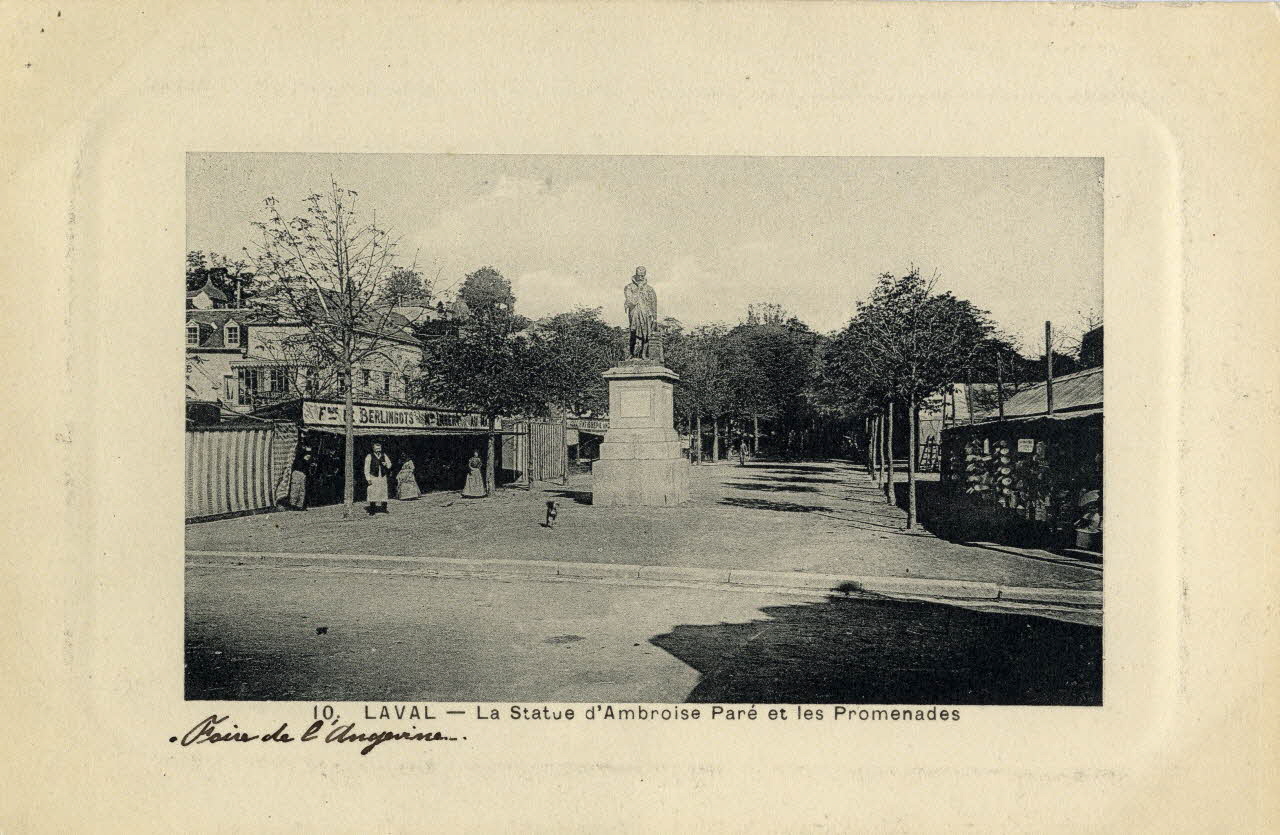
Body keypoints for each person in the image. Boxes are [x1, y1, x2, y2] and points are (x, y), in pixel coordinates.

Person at [624, 266, 658, 360]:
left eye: (642, 276)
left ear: (645, 275)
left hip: (646, 313)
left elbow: (653, 303)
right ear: (636, 274)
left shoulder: (650, 289)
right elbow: (630, 300)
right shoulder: (629, 287)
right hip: (634, 312)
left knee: (646, 333)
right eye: (639, 275)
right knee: (633, 331)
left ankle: (644, 354)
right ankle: (631, 353)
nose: (640, 277)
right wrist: (639, 289)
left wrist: (655, 318)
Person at [364, 442, 392, 514]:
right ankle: (372, 510)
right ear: (373, 449)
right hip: (373, 476)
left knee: (383, 491)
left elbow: (389, 465)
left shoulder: (384, 455)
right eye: (376, 448)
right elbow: (366, 468)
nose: (378, 450)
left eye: (379, 448)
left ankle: (384, 509)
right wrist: (368, 479)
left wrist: (386, 464)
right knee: (373, 492)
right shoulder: (369, 456)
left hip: (382, 476)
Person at [288, 443, 314, 510]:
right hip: (298, 472)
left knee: (300, 489)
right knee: (296, 489)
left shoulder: (300, 453)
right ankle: (294, 505)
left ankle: (298, 505)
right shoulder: (301, 453)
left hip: (301, 472)